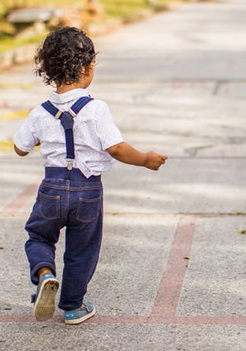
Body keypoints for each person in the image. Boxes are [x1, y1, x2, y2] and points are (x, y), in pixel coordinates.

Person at [13, 27, 167, 324]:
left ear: (47, 69)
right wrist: (146, 160)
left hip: (51, 189)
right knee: (82, 250)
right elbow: (117, 148)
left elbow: (20, 148)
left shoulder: (40, 112)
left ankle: (45, 273)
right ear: (88, 66)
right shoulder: (95, 109)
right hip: (87, 190)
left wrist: (40, 139)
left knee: (38, 236)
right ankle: (72, 306)